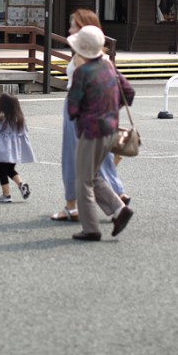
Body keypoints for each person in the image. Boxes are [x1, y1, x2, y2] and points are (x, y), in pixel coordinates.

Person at [51, 9, 130, 222]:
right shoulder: (102, 57)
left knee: (75, 160)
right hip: (102, 114)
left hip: (82, 113)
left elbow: (79, 92)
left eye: (73, 26)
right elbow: (125, 90)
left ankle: (74, 207)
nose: (69, 30)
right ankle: (117, 194)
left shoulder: (83, 59)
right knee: (100, 160)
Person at [66, 25, 135, 241]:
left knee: (83, 181)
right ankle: (119, 209)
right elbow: (129, 92)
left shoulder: (82, 72)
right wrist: (111, 109)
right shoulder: (109, 66)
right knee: (93, 175)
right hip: (111, 130)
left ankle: (91, 229)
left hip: (91, 132)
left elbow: (72, 108)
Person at [0, 93, 35, 203]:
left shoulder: (1, 119)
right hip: (14, 150)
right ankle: (21, 184)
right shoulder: (20, 119)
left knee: (1, 171)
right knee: (10, 169)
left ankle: (6, 194)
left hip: (3, 150)